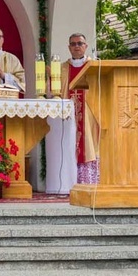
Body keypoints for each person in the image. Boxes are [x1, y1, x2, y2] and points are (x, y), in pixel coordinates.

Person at [58, 33, 100, 184]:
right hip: (69, 113)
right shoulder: (62, 68)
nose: (77, 46)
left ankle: (88, 181)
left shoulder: (94, 67)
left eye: (80, 43)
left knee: (88, 143)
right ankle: (68, 182)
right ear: (69, 47)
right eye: (73, 44)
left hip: (89, 113)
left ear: (86, 46)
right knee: (69, 143)